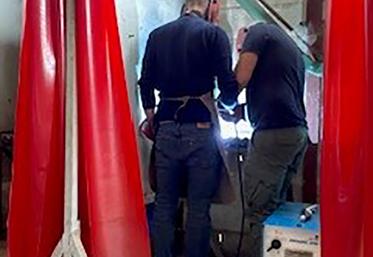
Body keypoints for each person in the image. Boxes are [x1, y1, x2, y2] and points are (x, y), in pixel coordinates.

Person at [138, 1, 238, 257]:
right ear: (209, 6)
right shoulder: (213, 34)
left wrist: (152, 118)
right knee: (198, 207)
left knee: (164, 205)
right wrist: (228, 103)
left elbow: (146, 84)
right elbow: (228, 90)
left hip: (166, 128)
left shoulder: (157, 35)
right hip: (201, 128)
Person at [234, 22, 309, 257]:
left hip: (274, 135)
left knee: (259, 211)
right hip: (296, 132)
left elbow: (240, 79)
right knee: (275, 210)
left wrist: (225, 98)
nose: (240, 52)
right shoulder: (289, 48)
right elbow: (278, 91)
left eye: (240, 49)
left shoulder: (257, 33)